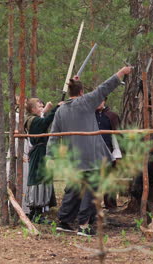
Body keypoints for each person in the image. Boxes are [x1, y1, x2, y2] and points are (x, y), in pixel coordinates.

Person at [47, 66, 132, 236]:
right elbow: (105, 87)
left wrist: (50, 155)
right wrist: (121, 72)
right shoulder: (86, 102)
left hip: (73, 158)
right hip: (91, 157)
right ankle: (83, 225)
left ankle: (64, 220)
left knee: (73, 188)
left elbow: (54, 135)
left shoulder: (61, 110)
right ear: (82, 92)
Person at [24, 98, 61, 223]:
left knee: (39, 179)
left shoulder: (32, 119)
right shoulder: (34, 121)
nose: (42, 108)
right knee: (39, 179)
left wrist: (51, 109)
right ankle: (38, 215)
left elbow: (43, 119)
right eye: (39, 106)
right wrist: (56, 108)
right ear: (33, 109)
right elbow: (45, 121)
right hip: (39, 154)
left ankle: (35, 212)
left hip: (39, 152)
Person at [95, 98, 122, 209]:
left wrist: (116, 154)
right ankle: (93, 205)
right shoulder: (91, 116)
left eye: (100, 100)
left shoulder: (112, 116)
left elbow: (116, 136)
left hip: (108, 152)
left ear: (104, 101)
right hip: (93, 152)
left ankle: (110, 205)